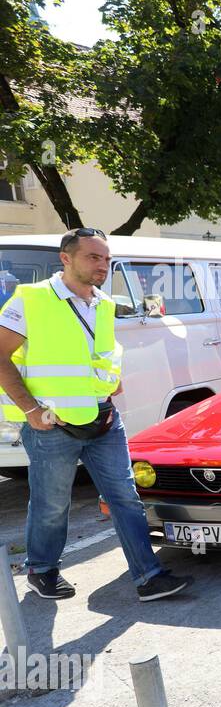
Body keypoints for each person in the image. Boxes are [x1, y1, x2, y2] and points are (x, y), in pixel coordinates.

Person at [0, 229, 191, 602]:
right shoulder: (31, 299)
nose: (102, 265)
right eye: (92, 257)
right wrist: (31, 410)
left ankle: (148, 575)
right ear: (66, 259)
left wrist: (111, 382)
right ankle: (41, 570)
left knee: (125, 496)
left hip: (102, 418)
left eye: (105, 258)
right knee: (52, 503)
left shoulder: (103, 304)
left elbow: (96, 356)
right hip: (51, 425)